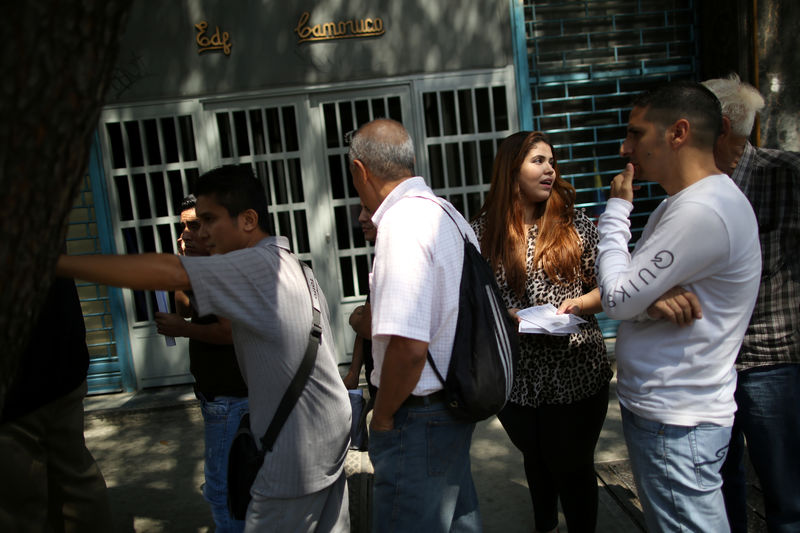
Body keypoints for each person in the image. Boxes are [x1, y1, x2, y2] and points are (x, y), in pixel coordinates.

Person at [57, 166, 351, 532]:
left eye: (209, 220)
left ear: (247, 220)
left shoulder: (259, 266)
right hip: (324, 437)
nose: (202, 232)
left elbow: (171, 272)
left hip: (296, 452)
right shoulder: (290, 264)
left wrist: (56, 264)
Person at [595, 81, 761, 532]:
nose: (625, 146)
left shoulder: (702, 211)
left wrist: (615, 212)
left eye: (635, 132)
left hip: (676, 417)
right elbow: (632, 291)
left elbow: (616, 296)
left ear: (678, 132)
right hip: (669, 411)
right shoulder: (680, 204)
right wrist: (647, 300)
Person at [470, 131, 612, 533]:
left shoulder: (574, 222)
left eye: (551, 161)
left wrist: (581, 304)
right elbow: (473, 300)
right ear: (511, 170)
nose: (549, 169)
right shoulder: (481, 232)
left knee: (573, 465)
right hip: (518, 379)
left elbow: (613, 286)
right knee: (537, 459)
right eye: (538, 161)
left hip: (577, 372)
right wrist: (504, 313)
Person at [349, 118, 481, 532]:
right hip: (452, 406)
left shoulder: (402, 224)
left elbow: (408, 346)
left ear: (360, 170)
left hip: (420, 415)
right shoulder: (446, 213)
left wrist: (383, 415)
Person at [702, 74, 800, 533]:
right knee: (721, 484)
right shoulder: (693, 190)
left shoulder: (785, 176)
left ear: (720, 126)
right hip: (710, 362)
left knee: (786, 492)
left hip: (769, 361)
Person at [154, 194, 248, 533]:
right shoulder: (200, 269)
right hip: (214, 395)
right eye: (182, 228)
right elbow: (187, 311)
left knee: (221, 489)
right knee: (234, 483)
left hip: (231, 396)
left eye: (194, 226)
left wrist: (182, 329)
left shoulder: (224, 269)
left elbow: (227, 332)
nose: (186, 235)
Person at [0, 275, 113, 532]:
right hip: (62, 362)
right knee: (75, 479)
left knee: (18, 500)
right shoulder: (43, 236)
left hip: (19, 380)